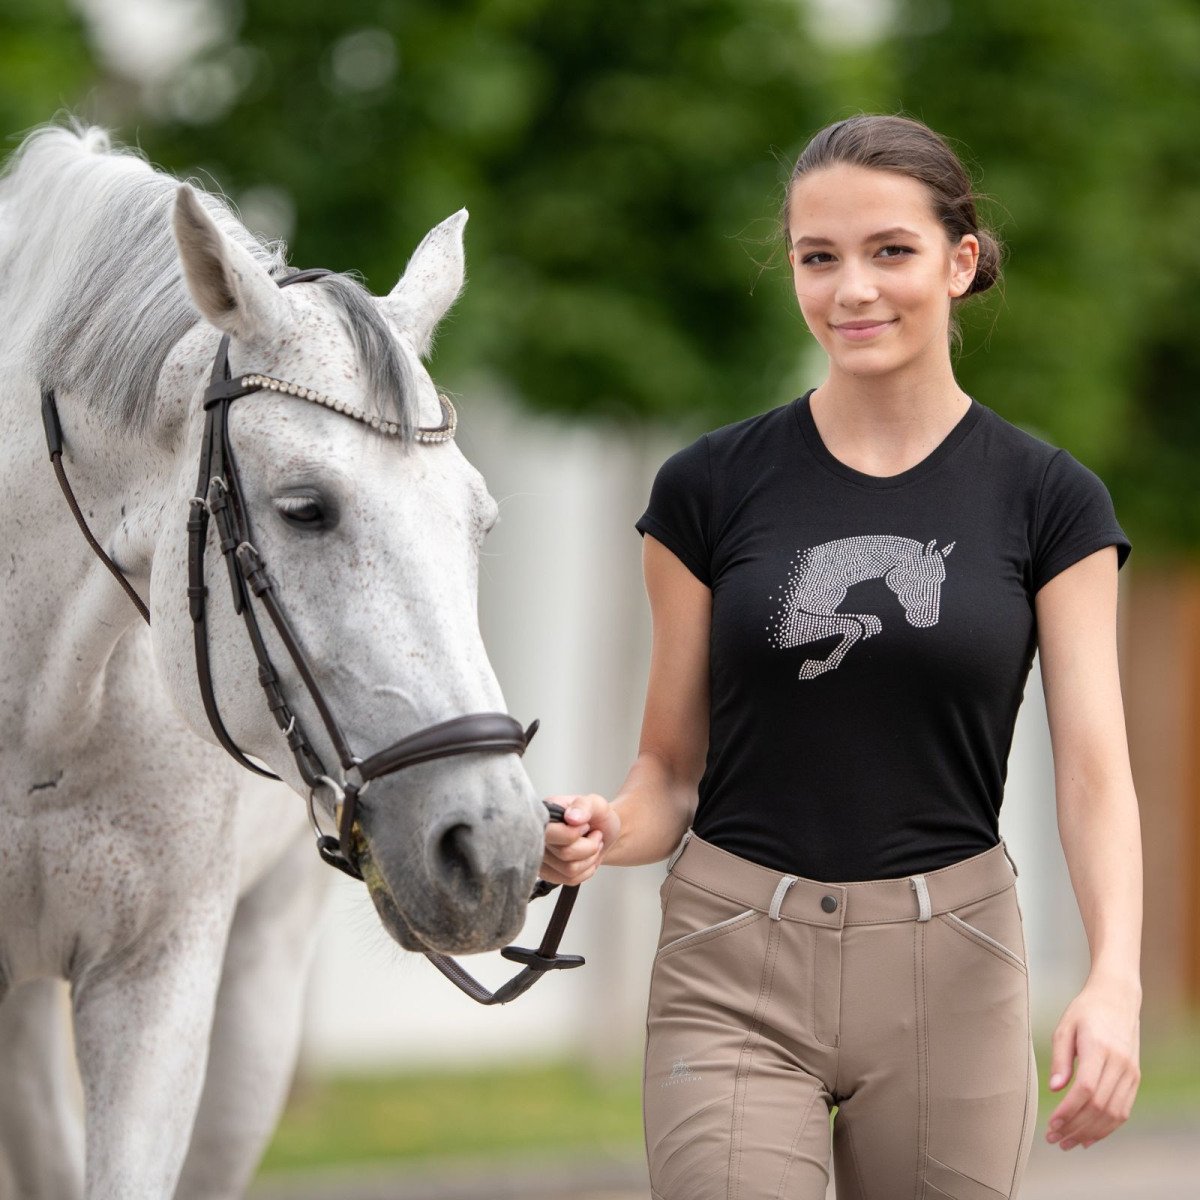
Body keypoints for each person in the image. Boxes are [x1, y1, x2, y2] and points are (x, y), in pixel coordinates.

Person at [540, 114, 1142, 1200]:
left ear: (960, 263)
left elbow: (1096, 775)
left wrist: (1115, 980)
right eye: (819, 259)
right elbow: (671, 772)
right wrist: (605, 830)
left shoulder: (1050, 501)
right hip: (732, 957)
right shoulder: (706, 490)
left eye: (890, 252)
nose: (851, 289)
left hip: (952, 967)